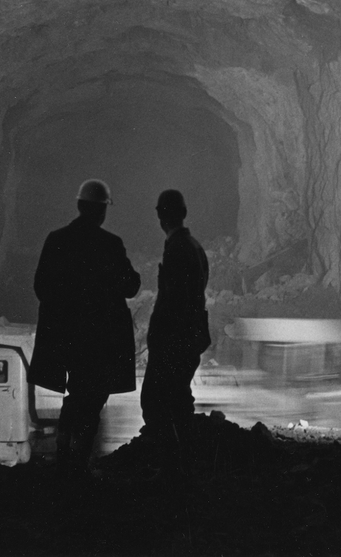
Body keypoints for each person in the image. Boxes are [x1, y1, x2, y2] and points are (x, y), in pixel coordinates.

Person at [29, 179, 141, 477]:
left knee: (76, 396)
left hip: (66, 338)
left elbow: (41, 287)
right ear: (102, 211)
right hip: (100, 340)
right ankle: (78, 464)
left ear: (80, 205)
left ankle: (65, 460)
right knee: (91, 401)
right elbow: (131, 286)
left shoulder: (57, 240)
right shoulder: (110, 244)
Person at [139, 189, 211, 468]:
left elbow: (174, 302)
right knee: (178, 401)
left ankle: (173, 467)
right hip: (188, 339)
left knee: (155, 403)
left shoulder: (178, 249)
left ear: (161, 216)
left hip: (174, 342)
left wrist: (160, 340)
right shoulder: (195, 247)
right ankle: (185, 465)